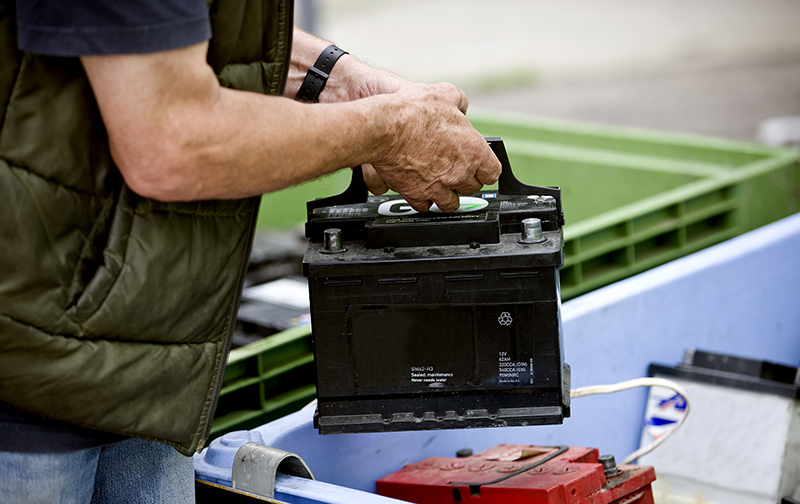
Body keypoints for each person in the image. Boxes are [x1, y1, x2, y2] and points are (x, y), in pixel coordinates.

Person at [0, 0, 501, 501]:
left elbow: (171, 31)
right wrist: (387, 130)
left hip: (151, 355)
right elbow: (172, 142)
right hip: (28, 375)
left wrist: (333, 78)